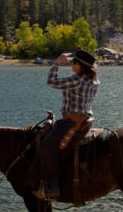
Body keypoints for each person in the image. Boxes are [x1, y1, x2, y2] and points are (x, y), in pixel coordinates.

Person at [33, 49, 100, 199]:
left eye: (74, 62)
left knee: (47, 148)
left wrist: (56, 62)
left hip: (71, 121)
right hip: (85, 119)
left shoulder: (77, 80)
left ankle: (53, 186)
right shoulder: (94, 80)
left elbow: (51, 82)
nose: (71, 64)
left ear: (81, 66)